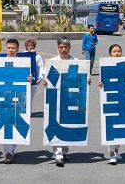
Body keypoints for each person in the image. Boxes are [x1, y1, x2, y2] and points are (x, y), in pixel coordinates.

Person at [42, 37, 91, 167]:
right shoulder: (53, 62)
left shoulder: (76, 62)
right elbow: (46, 78)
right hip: (55, 98)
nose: (63, 50)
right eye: (61, 47)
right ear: (58, 48)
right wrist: (45, 81)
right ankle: (58, 154)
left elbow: (82, 79)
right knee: (55, 121)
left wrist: (87, 81)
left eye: (66, 47)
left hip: (71, 98)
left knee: (68, 123)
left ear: (69, 47)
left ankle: (64, 151)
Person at [0, 39, 32, 164]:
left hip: (17, 98)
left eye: (13, 48)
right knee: (5, 124)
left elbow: (29, 79)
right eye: (9, 48)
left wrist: (29, 79)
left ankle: (12, 148)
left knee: (18, 124)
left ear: (17, 49)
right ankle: (9, 153)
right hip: (3, 98)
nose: (11, 50)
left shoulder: (23, 63)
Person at [24, 38, 44, 112]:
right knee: (24, 96)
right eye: (28, 45)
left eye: (31, 45)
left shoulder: (37, 56)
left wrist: (40, 78)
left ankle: (29, 111)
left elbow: (40, 67)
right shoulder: (23, 54)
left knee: (31, 96)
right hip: (25, 79)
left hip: (34, 79)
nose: (30, 47)